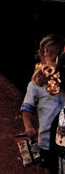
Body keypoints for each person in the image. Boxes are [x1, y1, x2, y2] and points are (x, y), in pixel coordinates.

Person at [21, 35, 65, 166]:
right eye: (53, 59)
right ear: (42, 58)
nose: (57, 64)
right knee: (49, 171)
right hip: (47, 139)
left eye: (60, 60)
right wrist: (28, 126)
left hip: (63, 137)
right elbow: (27, 107)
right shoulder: (36, 84)